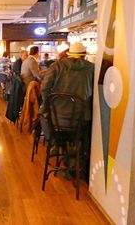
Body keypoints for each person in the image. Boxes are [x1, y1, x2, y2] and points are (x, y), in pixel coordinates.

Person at [39, 42, 94, 180]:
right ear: (84, 55)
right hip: (81, 120)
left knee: (43, 117)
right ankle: (76, 161)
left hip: (58, 119)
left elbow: (45, 88)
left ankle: (58, 145)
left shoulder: (57, 66)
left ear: (69, 54)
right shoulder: (92, 68)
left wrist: (47, 105)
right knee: (83, 134)